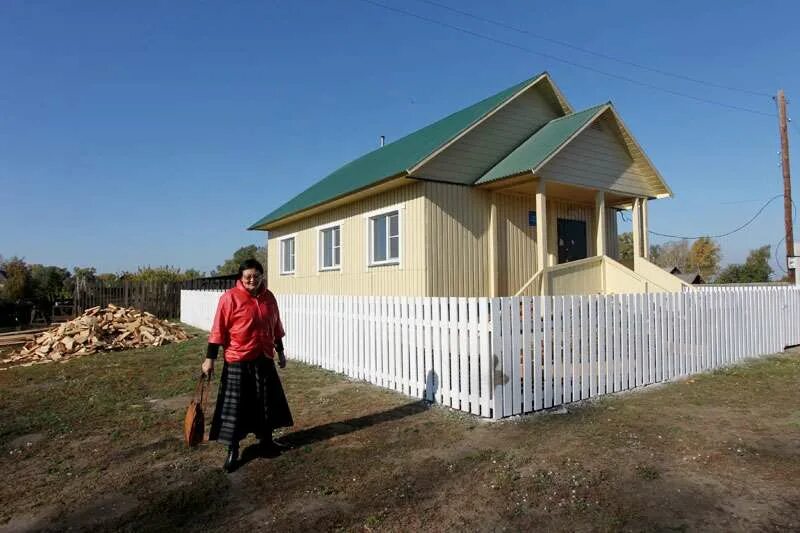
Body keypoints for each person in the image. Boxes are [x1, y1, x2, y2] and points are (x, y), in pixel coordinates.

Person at [201, 259, 293, 472]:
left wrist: (280, 352)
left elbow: (275, 327)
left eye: (256, 276)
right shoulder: (229, 298)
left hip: (264, 357)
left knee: (265, 402)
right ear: (241, 278)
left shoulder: (269, 298)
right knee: (236, 408)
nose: (252, 279)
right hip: (238, 359)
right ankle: (233, 450)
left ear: (262, 276)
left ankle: (267, 442)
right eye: (248, 276)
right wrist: (209, 358)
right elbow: (218, 330)